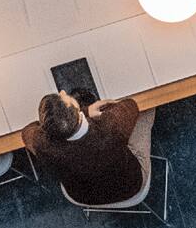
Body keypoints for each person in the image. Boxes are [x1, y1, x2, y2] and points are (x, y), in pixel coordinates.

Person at [21, 87, 155, 208]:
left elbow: (27, 131)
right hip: (130, 186)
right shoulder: (110, 127)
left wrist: (81, 114)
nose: (62, 92)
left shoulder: (42, 145)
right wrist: (87, 112)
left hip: (82, 196)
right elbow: (130, 105)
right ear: (78, 111)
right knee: (147, 107)